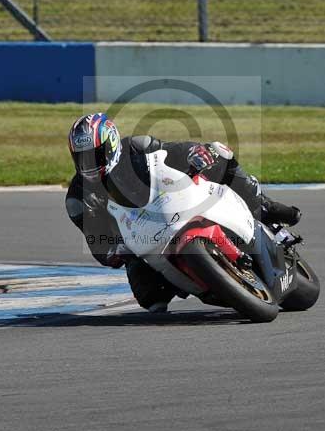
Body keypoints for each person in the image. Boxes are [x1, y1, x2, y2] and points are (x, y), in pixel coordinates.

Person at [65, 113, 301, 312]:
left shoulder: (136, 147)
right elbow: (95, 239)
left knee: (220, 154)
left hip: (170, 202)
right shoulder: (78, 198)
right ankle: (199, 280)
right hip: (139, 238)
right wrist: (112, 252)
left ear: (111, 145)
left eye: (95, 154)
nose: (89, 163)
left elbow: (175, 152)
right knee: (151, 300)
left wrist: (197, 153)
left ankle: (263, 206)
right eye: (82, 157)